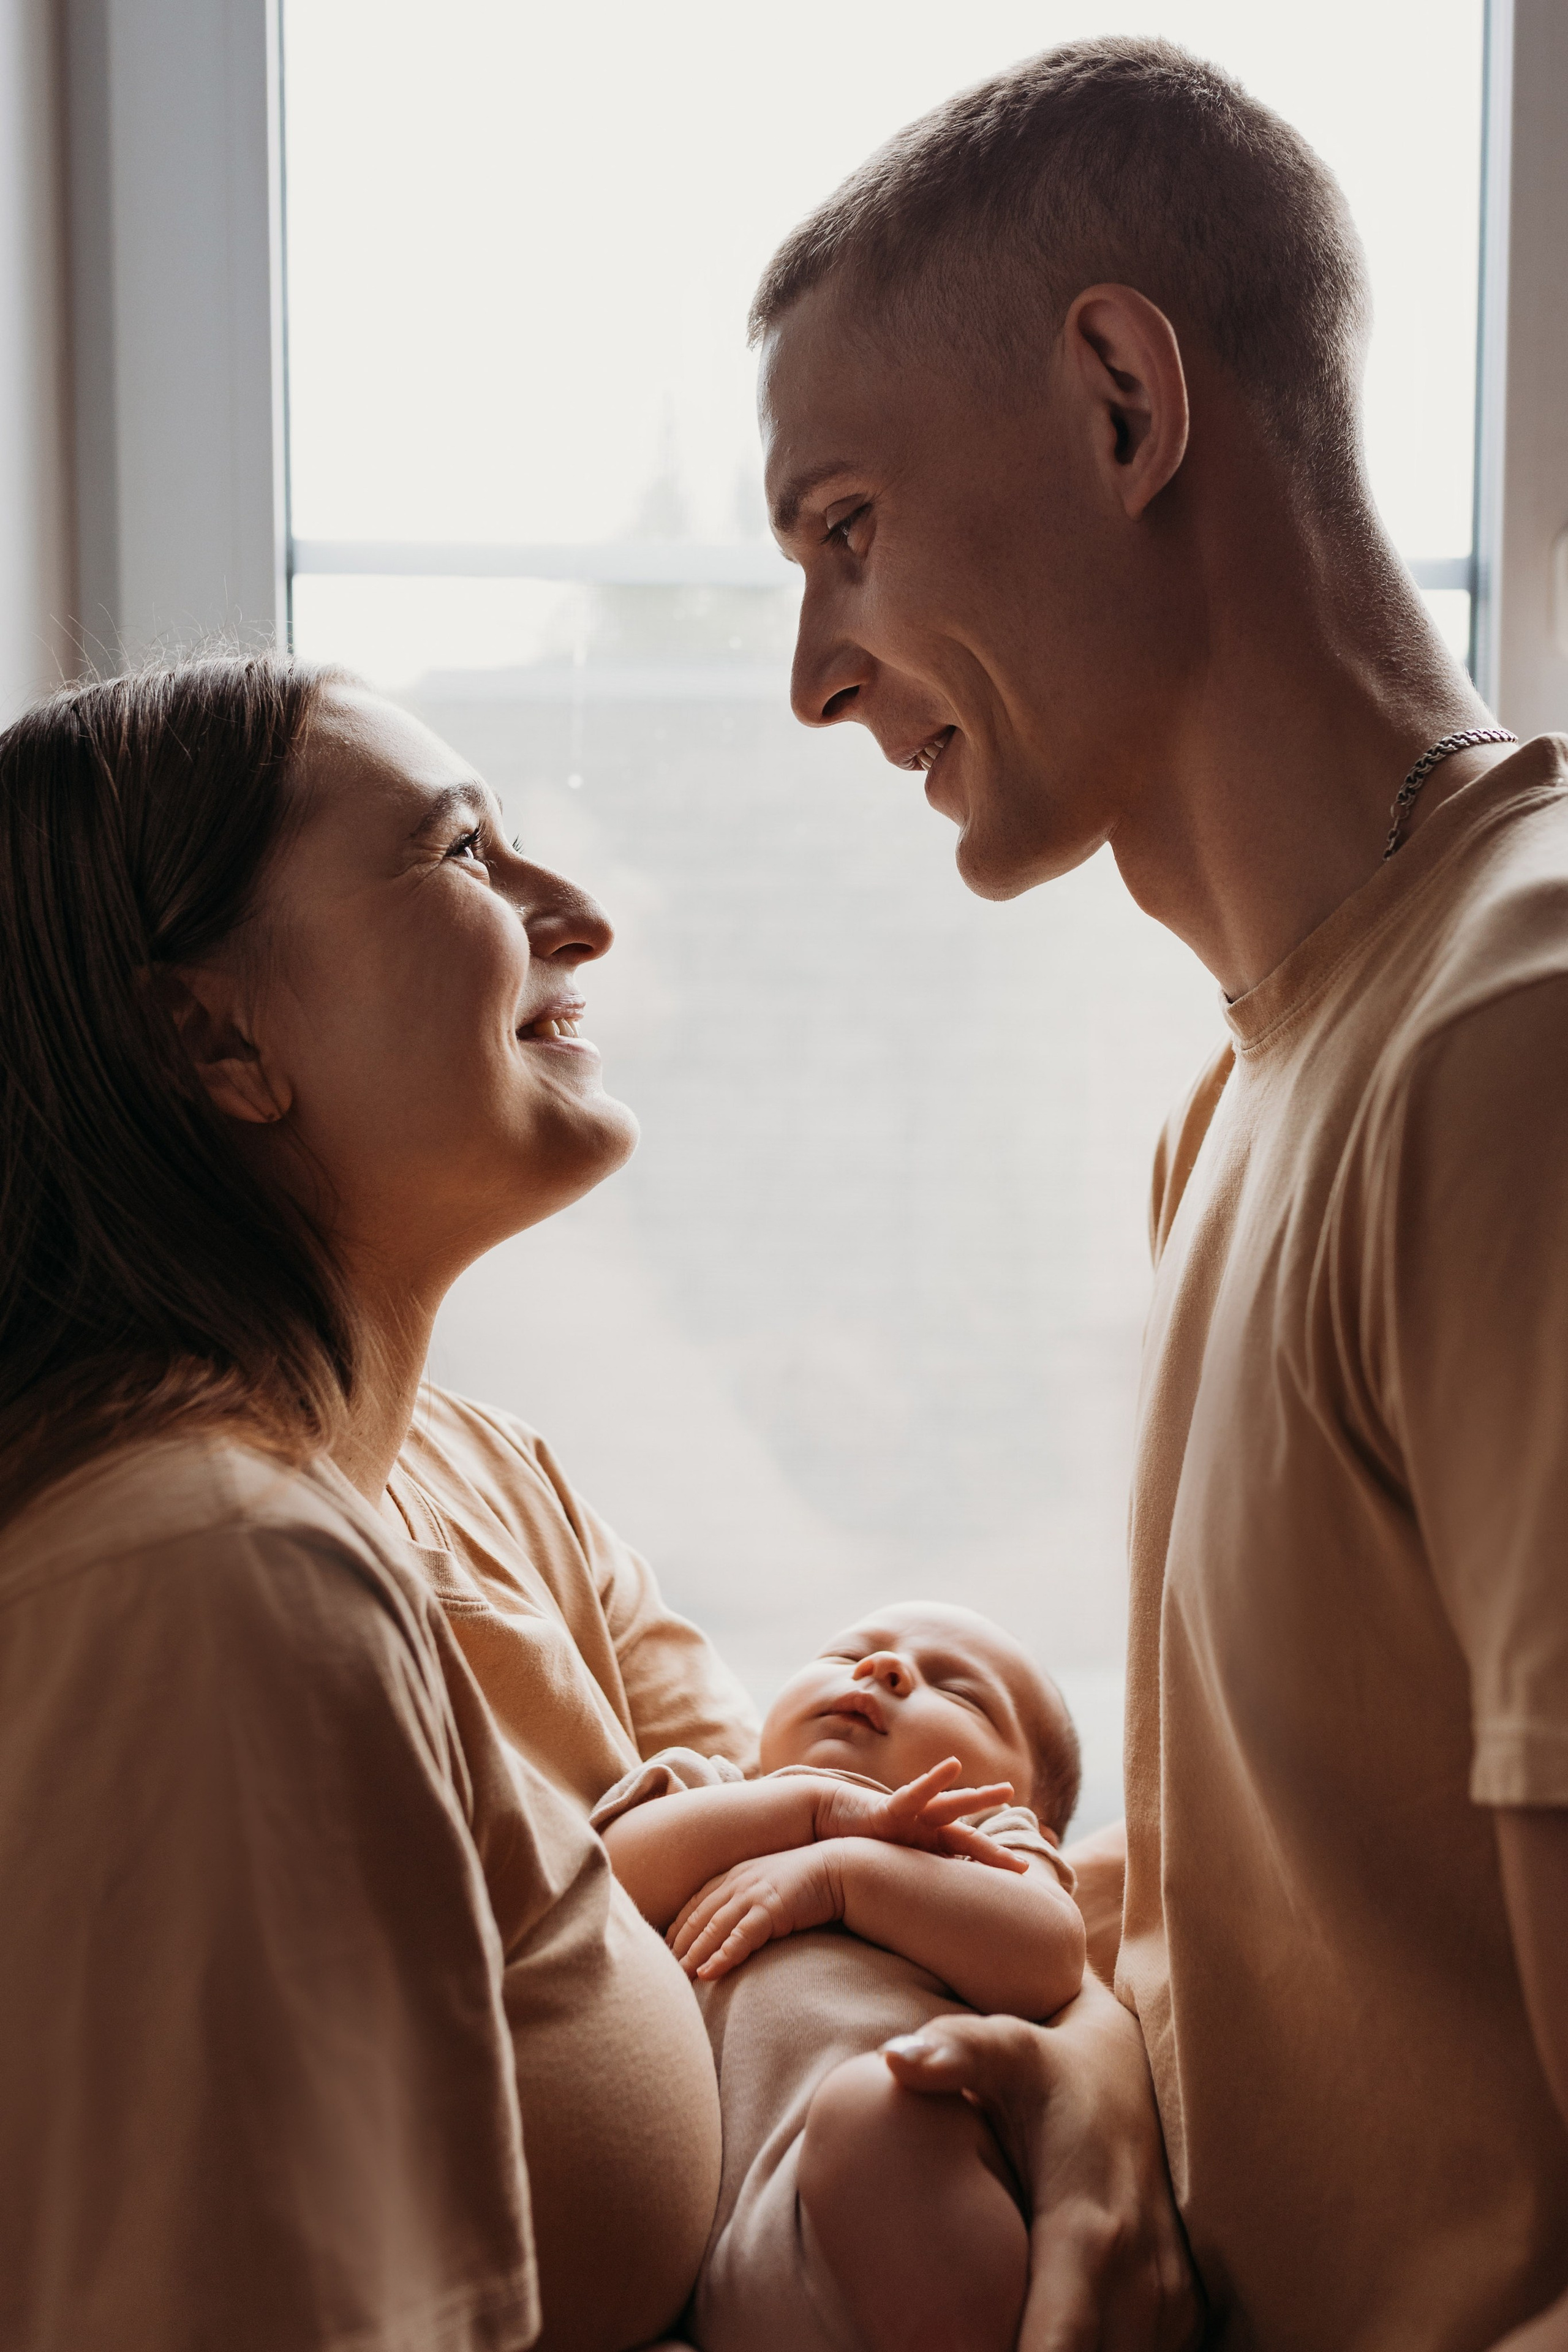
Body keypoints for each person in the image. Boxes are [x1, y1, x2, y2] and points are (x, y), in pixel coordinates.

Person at [750, 34, 1568, 2352]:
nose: (811, 679)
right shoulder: (1234, 1105)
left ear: (1121, 403)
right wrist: (1103, 2091)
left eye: (843, 531)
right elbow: (1311, 1922)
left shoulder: (1514, 1044)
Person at [0, 657, 767, 2352]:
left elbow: (839, 1853)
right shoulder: (210, 1585)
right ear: (215, 1037)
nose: (582, 917)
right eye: (465, 853)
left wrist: (1073, 2068)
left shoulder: (461, 1479)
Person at [595, 1603, 1086, 2352]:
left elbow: (1049, 1955)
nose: (883, 1668)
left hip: (889, 2228)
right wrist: (811, 1810)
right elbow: (602, 1888)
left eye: (960, 1693)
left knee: (878, 2107)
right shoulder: (713, 1790)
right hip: (720, 2264)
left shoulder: (986, 1842)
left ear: (1030, 1813)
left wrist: (842, 1875)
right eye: (846, 1655)